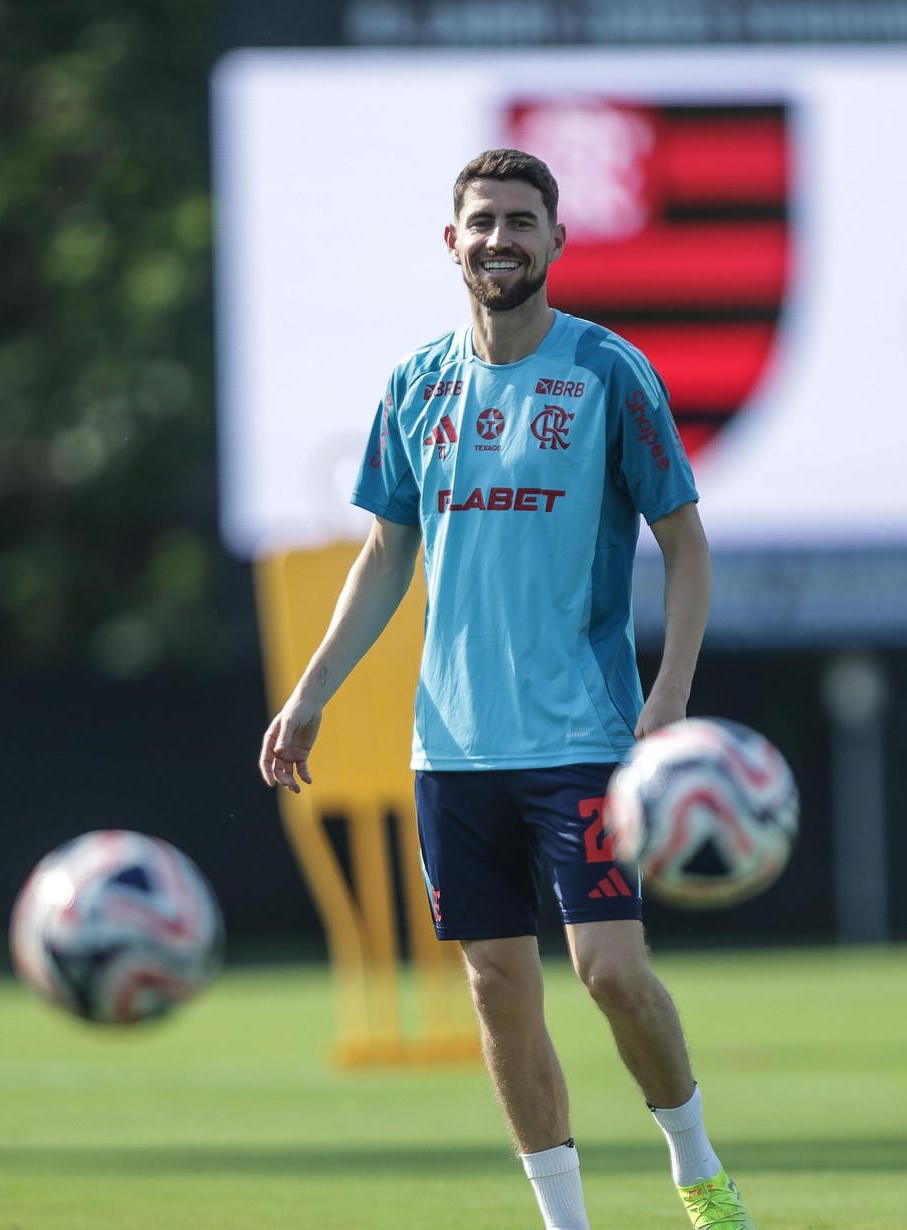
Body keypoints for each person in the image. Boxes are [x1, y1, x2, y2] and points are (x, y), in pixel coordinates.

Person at [259, 148, 755, 1230]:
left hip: (584, 736)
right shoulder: (415, 383)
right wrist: (312, 694)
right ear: (453, 241)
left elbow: (687, 543)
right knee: (495, 988)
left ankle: (699, 1170)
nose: (500, 239)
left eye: (521, 222)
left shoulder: (608, 375)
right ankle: (566, 1222)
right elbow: (386, 551)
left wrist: (667, 697)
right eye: (481, 221)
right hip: (452, 750)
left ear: (557, 241)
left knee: (612, 973)